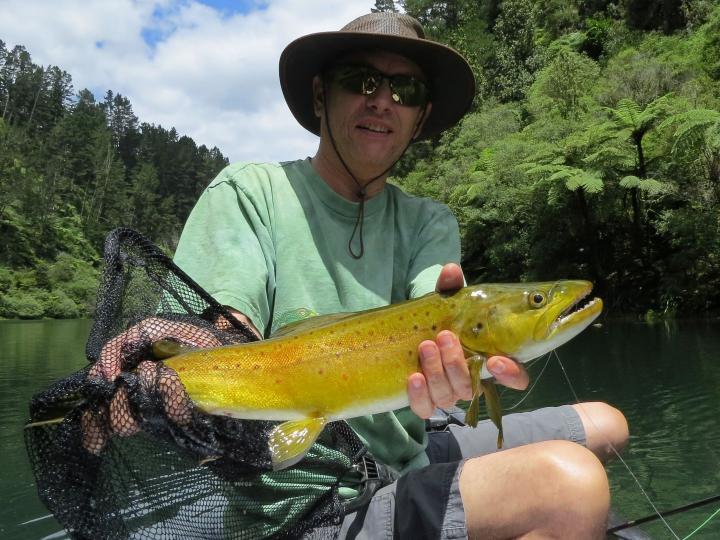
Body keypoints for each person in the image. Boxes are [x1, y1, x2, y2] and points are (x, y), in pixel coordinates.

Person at [90, 12, 629, 539]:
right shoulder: (249, 193)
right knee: (571, 484)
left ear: (420, 117)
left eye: (406, 90)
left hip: (406, 449)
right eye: (361, 81)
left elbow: (435, 318)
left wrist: (451, 369)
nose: (383, 100)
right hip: (310, 497)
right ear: (322, 96)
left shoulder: (428, 220)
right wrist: (191, 345)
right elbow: (220, 323)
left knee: (608, 423)